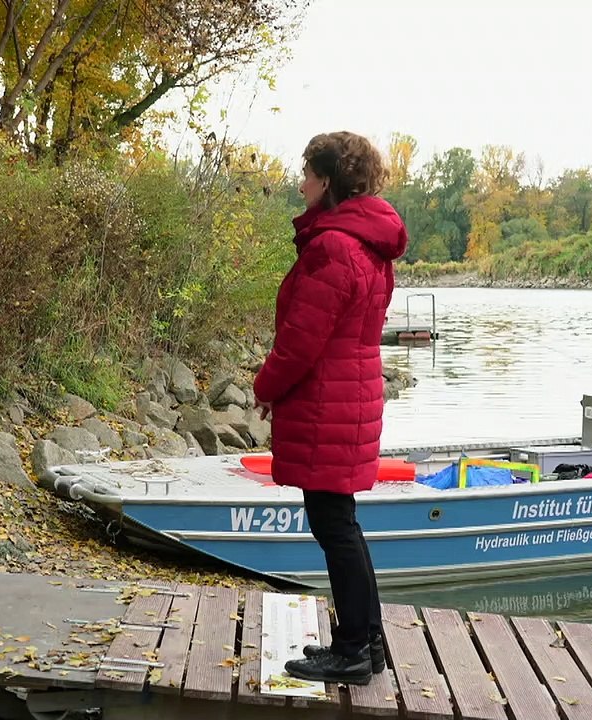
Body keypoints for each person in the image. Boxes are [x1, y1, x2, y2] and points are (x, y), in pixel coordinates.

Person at [252, 131, 408, 685]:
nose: (300, 185)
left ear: (327, 181)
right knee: (341, 523)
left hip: (328, 398)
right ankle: (367, 642)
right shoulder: (367, 243)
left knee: (334, 525)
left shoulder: (334, 245)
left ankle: (352, 651)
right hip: (351, 391)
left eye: (307, 175)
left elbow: (301, 339)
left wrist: (266, 386)